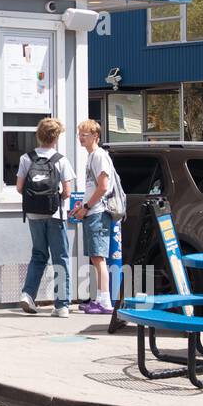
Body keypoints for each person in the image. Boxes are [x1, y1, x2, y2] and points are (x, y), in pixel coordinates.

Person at [16, 117, 76, 317]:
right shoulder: (61, 160)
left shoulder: (27, 158)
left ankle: (28, 294)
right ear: (56, 137)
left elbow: (19, 188)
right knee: (61, 258)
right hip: (56, 215)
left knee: (38, 255)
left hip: (33, 215)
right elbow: (67, 192)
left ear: (38, 135)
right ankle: (62, 305)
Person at [70, 120, 114, 314]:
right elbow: (93, 187)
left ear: (95, 136)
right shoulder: (91, 157)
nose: (81, 138)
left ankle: (105, 301)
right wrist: (82, 206)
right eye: (80, 134)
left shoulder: (99, 156)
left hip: (98, 212)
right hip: (91, 211)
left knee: (99, 258)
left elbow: (103, 187)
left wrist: (87, 206)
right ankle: (99, 299)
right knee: (95, 258)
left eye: (85, 135)